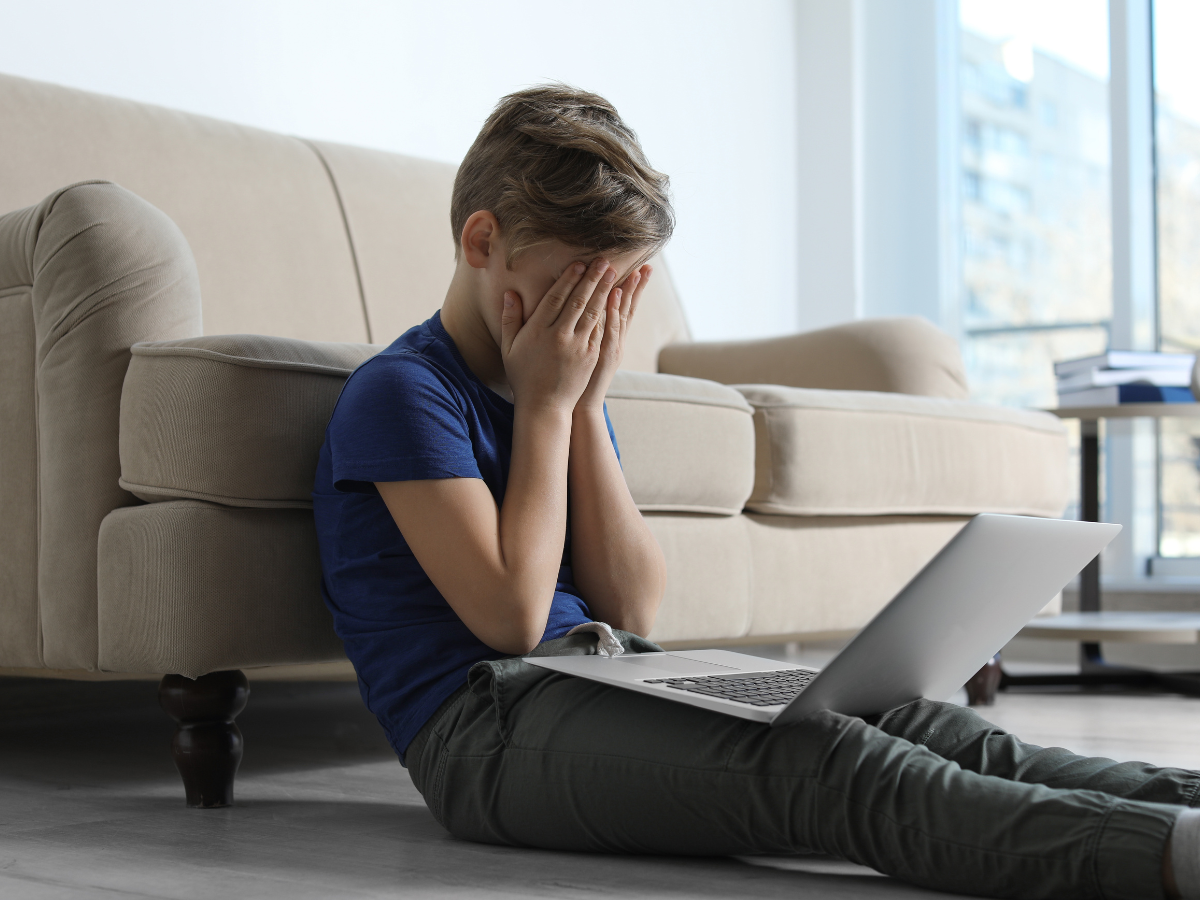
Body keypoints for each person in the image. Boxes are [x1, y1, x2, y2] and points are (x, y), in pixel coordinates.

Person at [312, 84, 1199, 900]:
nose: (592, 324)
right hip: (486, 731)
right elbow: (509, 618)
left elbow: (635, 604)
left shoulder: (562, 388)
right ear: (481, 243)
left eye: (618, 293)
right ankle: (1167, 858)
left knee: (935, 729)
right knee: (833, 766)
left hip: (618, 671)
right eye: (574, 289)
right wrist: (547, 406)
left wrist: (583, 408)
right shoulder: (404, 393)